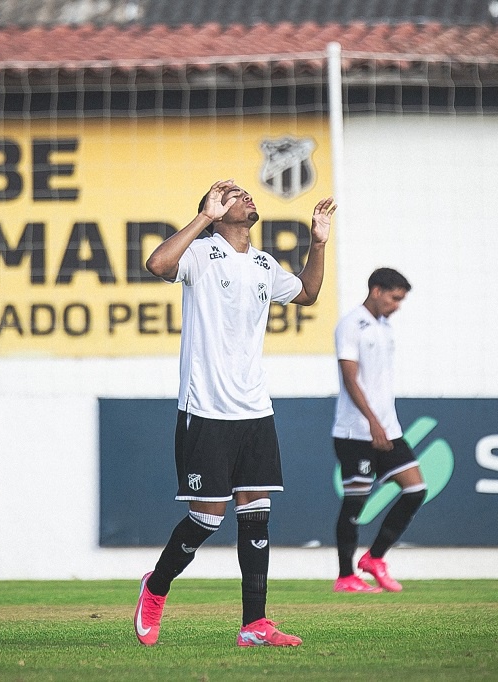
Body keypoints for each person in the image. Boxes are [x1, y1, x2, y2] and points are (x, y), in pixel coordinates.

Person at [134, 179, 336, 647]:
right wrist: (203, 215)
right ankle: (156, 587)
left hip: (254, 407)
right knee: (207, 518)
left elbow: (307, 292)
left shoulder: (264, 264)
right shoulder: (201, 253)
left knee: (257, 513)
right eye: (232, 195)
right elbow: (157, 263)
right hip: (205, 406)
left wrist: (318, 243)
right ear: (216, 210)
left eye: (245, 193)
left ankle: (254, 625)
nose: (244, 196)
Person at [330, 267, 426, 593]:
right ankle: (345, 577)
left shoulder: (384, 326)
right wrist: (372, 421)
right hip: (356, 432)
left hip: (388, 429)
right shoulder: (351, 325)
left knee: (415, 490)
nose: (397, 305)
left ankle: (375, 558)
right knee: (355, 503)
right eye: (395, 297)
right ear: (376, 290)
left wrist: (383, 423)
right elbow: (350, 378)